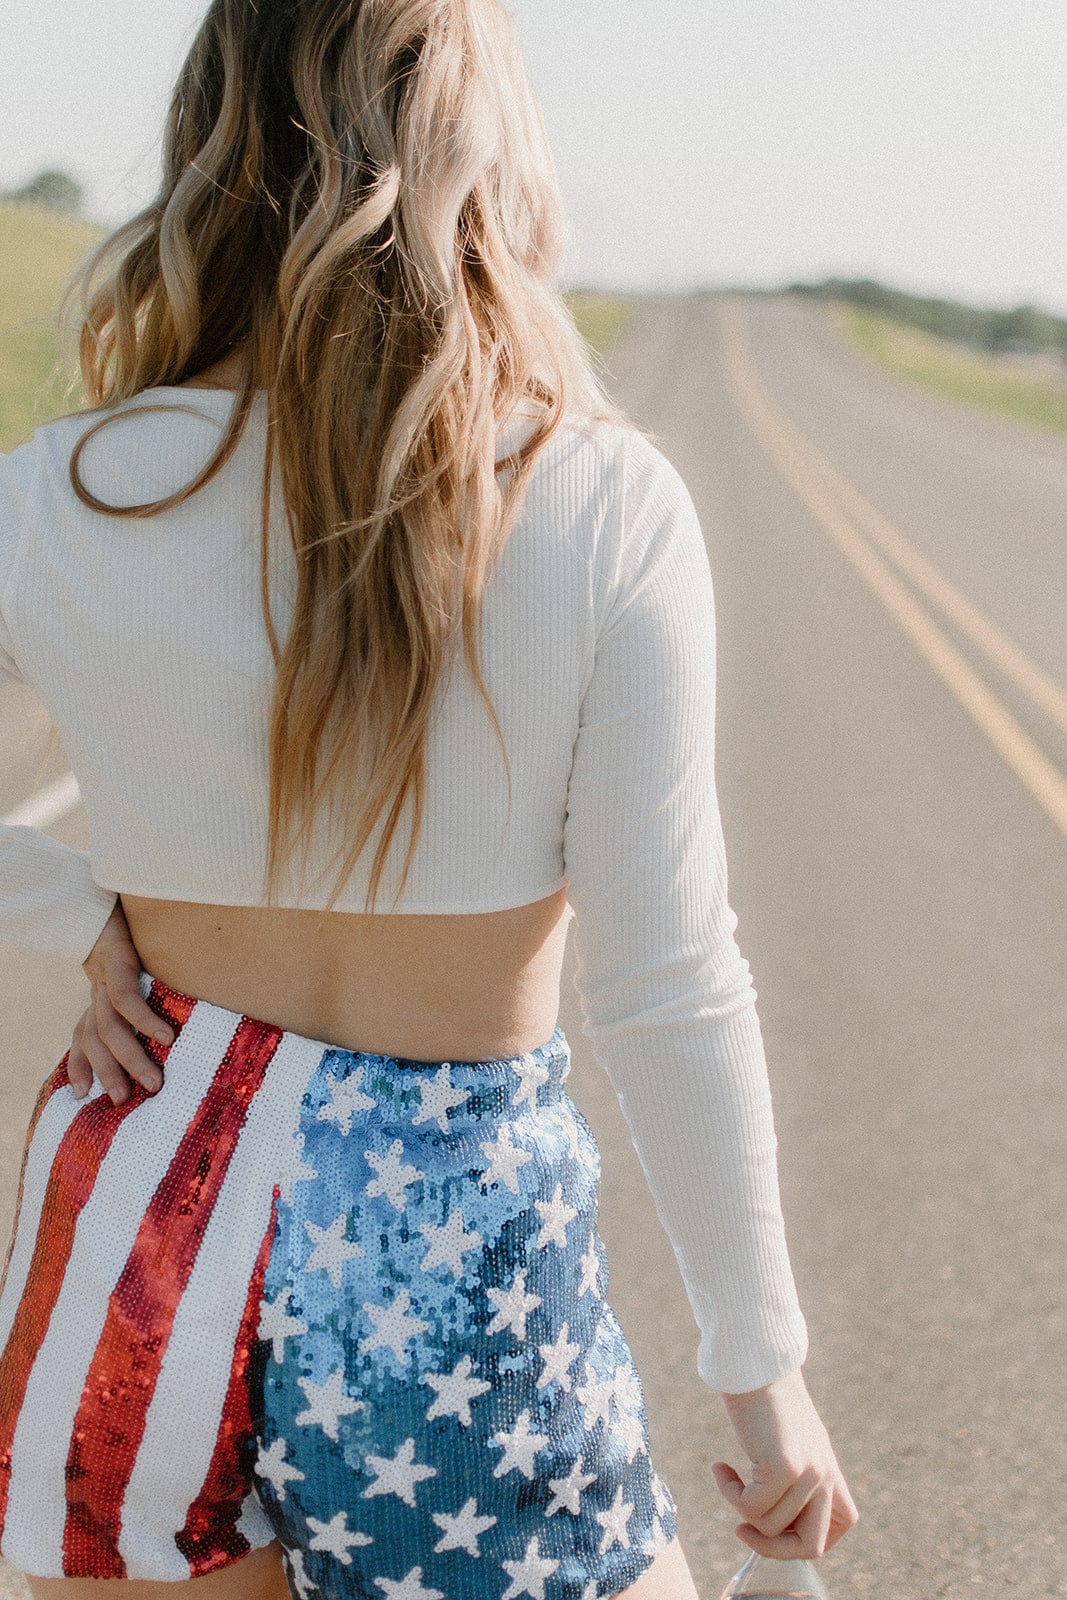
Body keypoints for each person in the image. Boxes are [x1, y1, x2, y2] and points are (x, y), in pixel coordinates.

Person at [0, 1, 859, 1597]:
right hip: (442, 1244)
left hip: (137, 1192)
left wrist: (71, 908)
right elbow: (668, 979)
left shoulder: (58, 492)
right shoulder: (597, 500)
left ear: (209, 147)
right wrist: (765, 1373)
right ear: (489, 156)